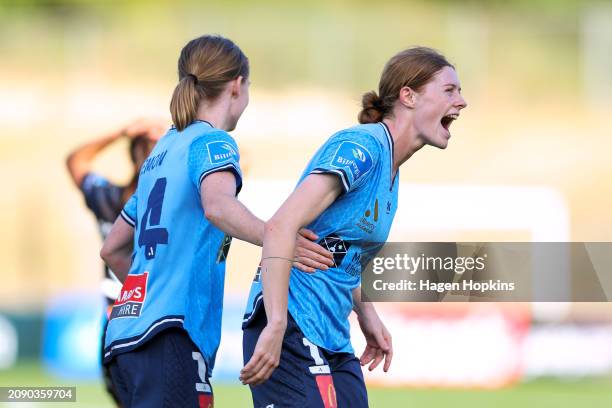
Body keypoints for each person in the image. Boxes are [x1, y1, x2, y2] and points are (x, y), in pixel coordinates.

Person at [99, 34, 333, 408]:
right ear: (237, 85)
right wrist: (276, 237)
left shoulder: (162, 151)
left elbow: (112, 249)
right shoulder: (213, 142)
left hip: (126, 341)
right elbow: (218, 207)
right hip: (170, 336)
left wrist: (150, 295)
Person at [241, 47, 468, 407]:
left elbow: (339, 249)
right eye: (450, 90)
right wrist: (276, 324)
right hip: (292, 325)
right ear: (408, 96)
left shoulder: (391, 168)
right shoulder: (361, 147)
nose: (462, 101)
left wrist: (367, 313)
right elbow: (280, 226)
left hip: (331, 334)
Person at [66, 118, 165, 405]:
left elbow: (76, 161)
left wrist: (123, 133)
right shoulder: (169, 205)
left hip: (119, 323)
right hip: (144, 321)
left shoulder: (109, 198)